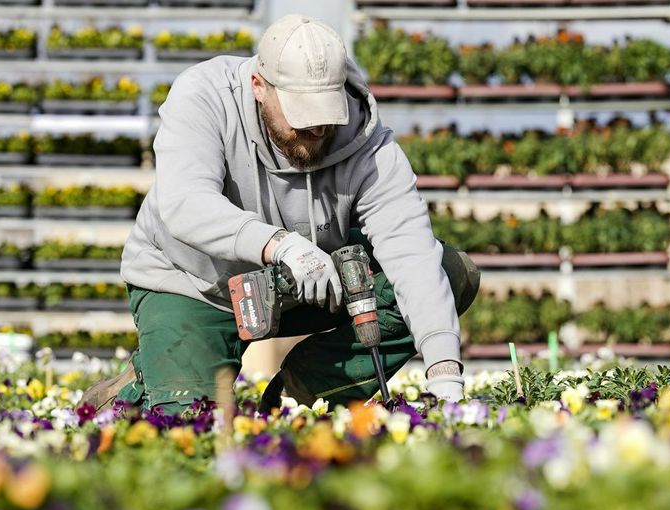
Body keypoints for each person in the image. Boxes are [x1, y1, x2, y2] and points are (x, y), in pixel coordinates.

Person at [83, 14, 479, 413]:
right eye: (301, 115)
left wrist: (445, 374)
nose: (318, 130)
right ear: (259, 86)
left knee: (450, 270)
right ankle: (143, 380)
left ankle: (303, 393)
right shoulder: (203, 95)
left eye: (326, 114)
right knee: (187, 421)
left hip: (308, 283)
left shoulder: (366, 140)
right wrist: (279, 244)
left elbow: (412, 254)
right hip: (195, 285)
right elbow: (185, 203)